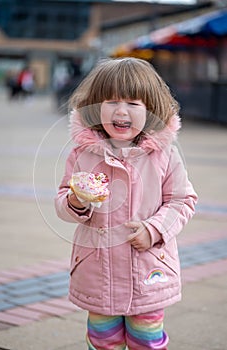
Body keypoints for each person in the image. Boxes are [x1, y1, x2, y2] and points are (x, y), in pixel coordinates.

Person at [55, 57, 198, 350]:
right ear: (96, 106)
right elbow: (62, 201)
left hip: (148, 269)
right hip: (97, 271)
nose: (122, 111)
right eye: (112, 102)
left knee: (146, 338)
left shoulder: (164, 155)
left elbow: (181, 200)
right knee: (102, 339)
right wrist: (76, 200)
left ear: (151, 110)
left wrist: (155, 230)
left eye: (133, 103)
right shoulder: (83, 154)